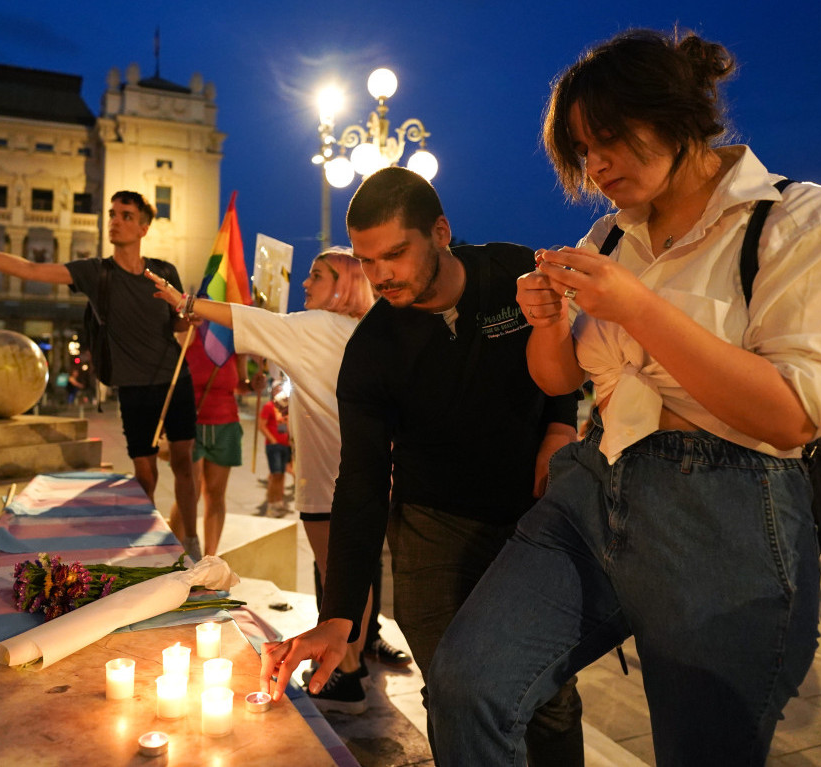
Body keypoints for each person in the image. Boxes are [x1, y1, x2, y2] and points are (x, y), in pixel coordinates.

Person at [425, 29, 821, 766]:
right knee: (466, 681)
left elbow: (792, 412)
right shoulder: (611, 238)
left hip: (729, 513)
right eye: (581, 150)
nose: (596, 166)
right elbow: (558, 380)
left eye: (609, 138)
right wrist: (547, 323)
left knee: (699, 749)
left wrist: (636, 308)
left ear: (679, 115)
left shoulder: (804, 222)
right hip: (592, 489)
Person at [257, 167, 584, 761]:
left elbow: (565, 346)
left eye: (396, 254)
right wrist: (339, 617)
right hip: (434, 532)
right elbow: (359, 483)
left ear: (440, 231)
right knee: (456, 693)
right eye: (368, 260)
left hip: (534, 521)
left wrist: (560, 424)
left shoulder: (509, 272)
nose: (381, 275)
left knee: (552, 696)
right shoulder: (372, 351)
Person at [148, 247, 397, 713]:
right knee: (355, 574)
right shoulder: (361, 332)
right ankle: (354, 664)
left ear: (343, 285)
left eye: (317, 276)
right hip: (366, 477)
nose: (305, 284)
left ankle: (344, 675)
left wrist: (186, 303)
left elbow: (250, 319)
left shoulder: (316, 327)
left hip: (327, 481)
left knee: (337, 575)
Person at [0, 194, 201, 557]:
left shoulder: (163, 270)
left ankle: (191, 540)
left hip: (174, 379)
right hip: (133, 387)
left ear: (144, 228)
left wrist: (188, 315)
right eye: (113, 214)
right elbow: (32, 270)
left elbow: (178, 320)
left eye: (126, 216)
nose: (115, 221)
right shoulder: (95, 272)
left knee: (183, 461)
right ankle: (146, 543)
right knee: (145, 474)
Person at [171, 331, 246, 557]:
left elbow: (241, 385)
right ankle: (174, 558)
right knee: (189, 492)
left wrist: (253, 385)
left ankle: (210, 561)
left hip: (226, 422)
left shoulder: (233, 337)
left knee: (215, 494)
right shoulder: (189, 330)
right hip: (190, 422)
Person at [258, 387, 292, 517]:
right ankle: (271, 504)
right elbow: (262, 425)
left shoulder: (285, 408)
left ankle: (278, 502)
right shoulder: (268, 406)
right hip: (274, 446)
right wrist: (272, 440)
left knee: (281, 475)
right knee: (275, 474)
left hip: (285, 445)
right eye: (277, 390)